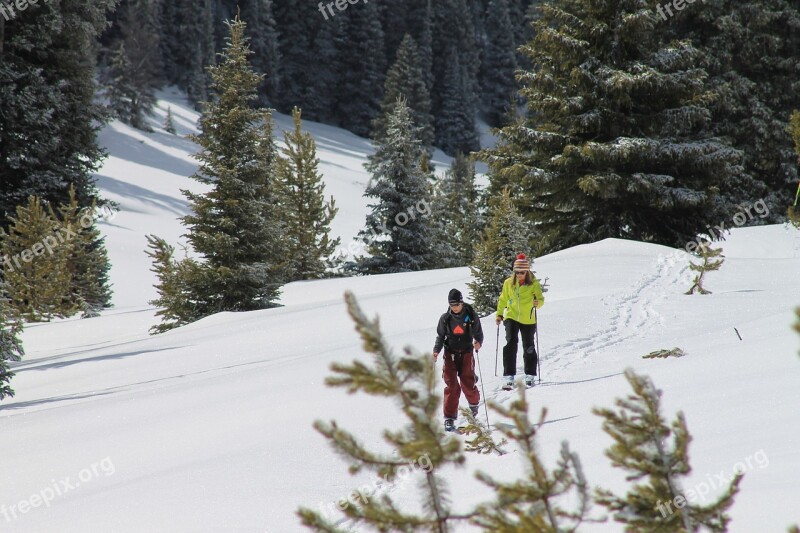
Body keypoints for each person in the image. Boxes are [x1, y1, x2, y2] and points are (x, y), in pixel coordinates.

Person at [433, 289, 483, 432]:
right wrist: (436, 350)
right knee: (451, 384)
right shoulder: (445, 318)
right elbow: (440, 337)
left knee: (467, 382)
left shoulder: (470, 315)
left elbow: (478, 333)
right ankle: (449, 418)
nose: (454, 307)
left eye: (456, 304)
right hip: (450, 353)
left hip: (466, 352)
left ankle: (474, 404)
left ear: (461, 302)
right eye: (451, 304)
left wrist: (478, 342)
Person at [495, 253, 544, 389]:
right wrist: (499, 314)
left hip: (528, 319)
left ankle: (530, 374)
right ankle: (509, 375)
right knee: (511, 343)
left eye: (522, 272)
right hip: (511, 316)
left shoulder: (533, 284)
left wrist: (537, 303)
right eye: (517, 272)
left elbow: (540, 300)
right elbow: (503, 299)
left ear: (527, 271)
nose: (519, 275)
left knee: (528, 346)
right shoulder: (508, 283)